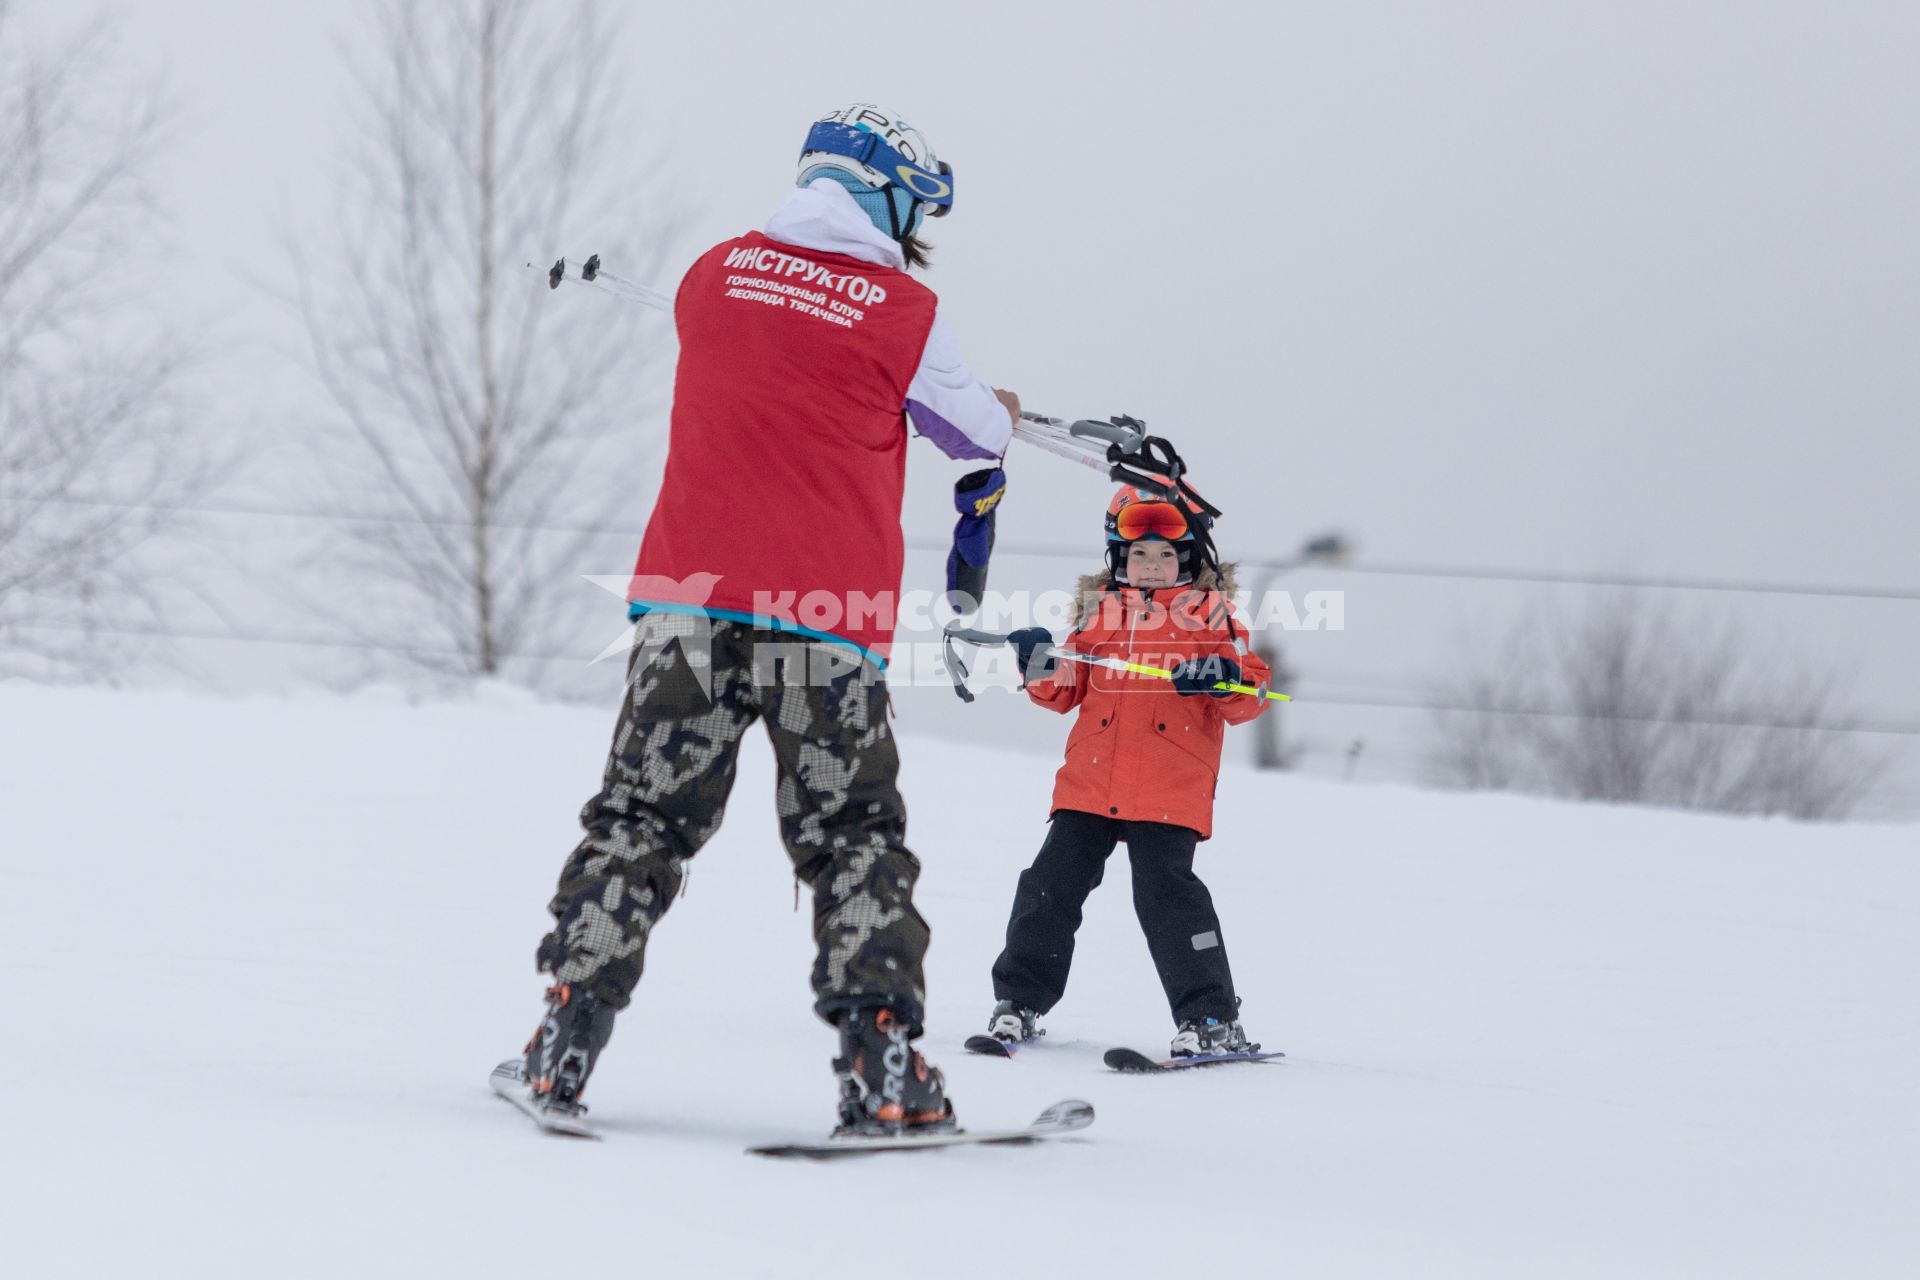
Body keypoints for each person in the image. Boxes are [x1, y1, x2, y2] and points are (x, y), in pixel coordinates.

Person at [511, 103, 1018, 1135]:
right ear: (888, 197)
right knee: (853, 839)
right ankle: (882, 1070)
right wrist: (992, 406)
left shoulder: (712, 275)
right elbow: (977, 436)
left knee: (639, 821)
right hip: (822, 628)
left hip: (686, 614)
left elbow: (769, 360)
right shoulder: (904, 313)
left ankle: (564, 1040)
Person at [985, 483, 1271, 1058]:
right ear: (1118, 558)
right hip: (1090, 781)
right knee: (1048, 887)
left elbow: (1251, 689)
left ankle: (1212, 1016)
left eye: (1167, 555)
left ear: (1188, 559)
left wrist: (1221, 673)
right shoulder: (1101, 615)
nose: (1153, 566)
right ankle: (1019, 1002)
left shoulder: (1213, 617)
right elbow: (1066, 689)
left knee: (1166, 898)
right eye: (1139, 554)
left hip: (1167, 786)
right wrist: (1040, 664)